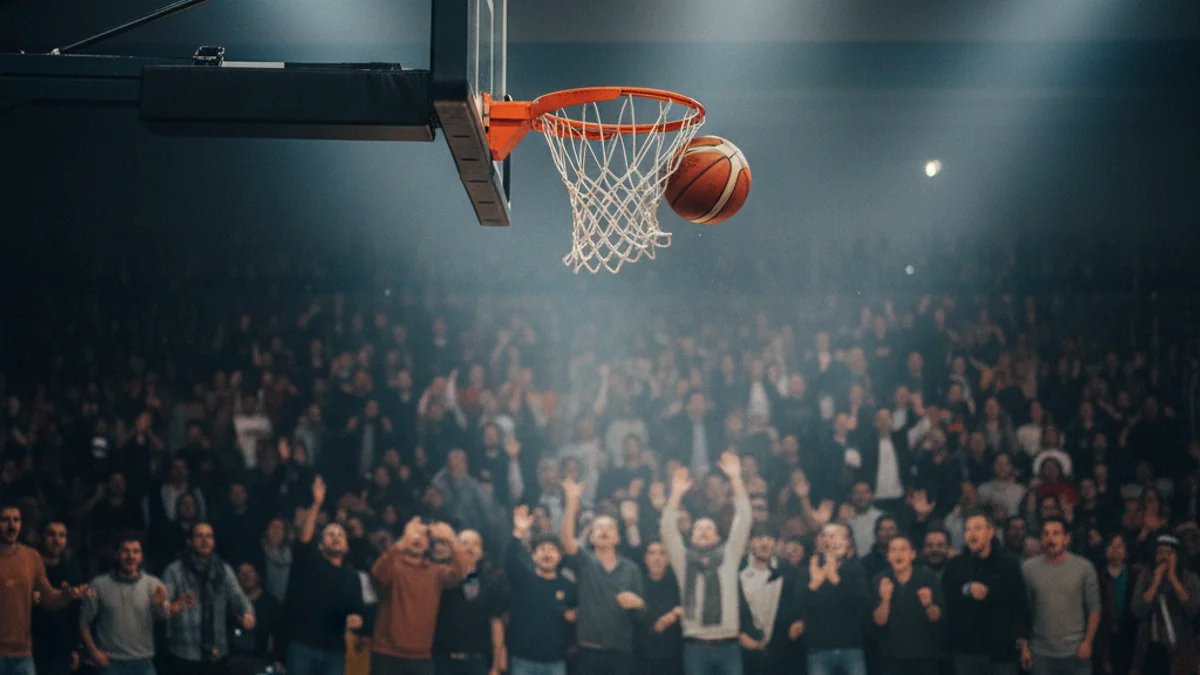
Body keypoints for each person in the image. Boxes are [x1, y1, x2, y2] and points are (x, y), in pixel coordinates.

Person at [661, 452, 751, 675]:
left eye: (709, 528)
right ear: (690, 538)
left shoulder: (729, 556)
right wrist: (676, 494)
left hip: (728, 644)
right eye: (698, 529)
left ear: (718, 537)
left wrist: (736, 480)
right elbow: (667, 530)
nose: (703, 531)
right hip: (695, 646)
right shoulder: (683, 561)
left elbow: (745, 517)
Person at [560, 475, 646, 675]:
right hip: (588, 651)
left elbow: (643, 613)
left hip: (621, 652)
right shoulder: (585, 562)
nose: (604, 531)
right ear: (591, 536)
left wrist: (639, 603)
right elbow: (567, 540)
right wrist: (572, 502)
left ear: (617, 537)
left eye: (610, 528)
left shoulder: (631, 568)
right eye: (599, 528)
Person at [282, 476, 366, 675]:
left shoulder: (352, 576)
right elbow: (304, 538)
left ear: (346, 546)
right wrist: (317, 503)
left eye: (340, 535)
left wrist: (357, 620)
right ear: (320, 545)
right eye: (330, 534)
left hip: (335, 651)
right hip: (304, 646)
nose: (336, 538)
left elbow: (357, 610)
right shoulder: (310, 562)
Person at [0, 504, 91, 675]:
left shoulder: (30, 557)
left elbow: (50, 598)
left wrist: (67, 595)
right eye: (5, 519)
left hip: (23, 652)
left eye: (16, 520)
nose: (11, 525)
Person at [370, 517, 469, 675]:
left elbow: (461, 573)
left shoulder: (436, 571)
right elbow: (378, 574)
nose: (417, 539)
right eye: (415, 534)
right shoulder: (393, 564)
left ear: (429, 544)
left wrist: (451, 539)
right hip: (387, 654)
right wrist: (401, 543)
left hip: (421, 657)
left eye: (424, 536)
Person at [941, 510, 1031, 675]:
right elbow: (946, 601)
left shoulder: (1009, 564)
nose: (972, 534)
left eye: (978, 528)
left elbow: (1020, 605)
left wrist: (1023, 643)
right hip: (966, 652)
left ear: (991, 532)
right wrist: (966, 589)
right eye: (968, 529)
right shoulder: (955, 565)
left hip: (1002, 654)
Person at [161, 522, 256, 675]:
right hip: (184, 651)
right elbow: (162, 607)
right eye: (199, 536)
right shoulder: (175, 570)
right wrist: (172, 607)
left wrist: (248, 613)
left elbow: (239, 597)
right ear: (190, 541)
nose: (205, 540)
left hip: (216, 651)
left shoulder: (223, 569)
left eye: (209, 536)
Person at [79, 535, 179, 675]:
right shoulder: (99, 585)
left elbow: (164, 617)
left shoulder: (153, 584)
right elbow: (83, 623)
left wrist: (160, 603)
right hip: (110, 663)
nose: (131, 556)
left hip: (143, 661)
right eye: (126, 551)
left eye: (135, 551)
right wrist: (94, 652)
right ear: (116, 555)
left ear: (141, 556)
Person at [1019, 517, 1101, 675]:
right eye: (1046, 534)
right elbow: (1023, 612)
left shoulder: (1084, 567)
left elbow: (1094, 608)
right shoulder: (1028, 569)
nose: (1050, 538)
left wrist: (1087, 642)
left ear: (1066, 538)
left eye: (1056, 533)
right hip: (1041, 653)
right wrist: (1024, 647)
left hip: (1076, 651)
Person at [505, 506, 576, 675]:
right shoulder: (523, 580)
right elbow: (509, 559)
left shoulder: (568, 587)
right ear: (533, 556)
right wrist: (518, 533)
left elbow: (576, 614)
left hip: (556, 661)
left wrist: (575, 614)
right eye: (542, 550)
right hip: (523, 660)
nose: (547, 554)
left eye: (552, 550)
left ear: (559, 556)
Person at [797, 522, 869, 675]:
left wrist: (836, 579)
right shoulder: (809, 568)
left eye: (838, 536)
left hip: (852, 649)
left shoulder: (856, 568)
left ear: (847, 542)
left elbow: (862, 605)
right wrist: (814, 585)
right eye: (828, 536)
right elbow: (800, 606)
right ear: (821, 541)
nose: (832, 541)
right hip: (818, 650)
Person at [431, 529, 505, 675]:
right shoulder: (441, 579)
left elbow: (496, 625)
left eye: (475, 544)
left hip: (476, 663)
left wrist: (496, 665)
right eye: (464, 543)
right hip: (442, 661)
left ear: (482, 552)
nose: (470, 548)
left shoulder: (491, 584)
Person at [871, 536, 944, 675]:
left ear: (912, 554)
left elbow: (937, 617)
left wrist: (928, 604)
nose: (898, 554)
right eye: (893, 550)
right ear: (887, 556)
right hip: (891, 657)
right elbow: (879, 621)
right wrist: (885, 599)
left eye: (903, 549)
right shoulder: (880, 579)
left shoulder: (927, 577)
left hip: (923, 656)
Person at [1129, 534, 1200, 674]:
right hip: (1151, 648)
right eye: (1161, 552)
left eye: (1169, 553)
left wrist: (1173, 579)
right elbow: (1137, 610)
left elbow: (1193, 610)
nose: (1165, 557)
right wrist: (1155, 583)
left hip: (1182, 648)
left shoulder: (1190, 578)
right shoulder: (1145, 577)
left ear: (1177, 556)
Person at [32, 521, 84, 675]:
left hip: (61, 646)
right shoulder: (30, 567)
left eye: (61, 535)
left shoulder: (71, 569)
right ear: (41, 537)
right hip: (31, 645)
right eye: (51, 534)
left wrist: (75, 648)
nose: (56, 540)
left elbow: (76, 612)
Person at [638, 540, 682, 675]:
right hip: (642, 655)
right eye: (652, 553)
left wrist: (677, 613)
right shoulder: (637, 583)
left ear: (668, 559)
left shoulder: (678, 584)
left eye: (662, 553)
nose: (657, 558)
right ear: (645, 558)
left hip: (674, 654)